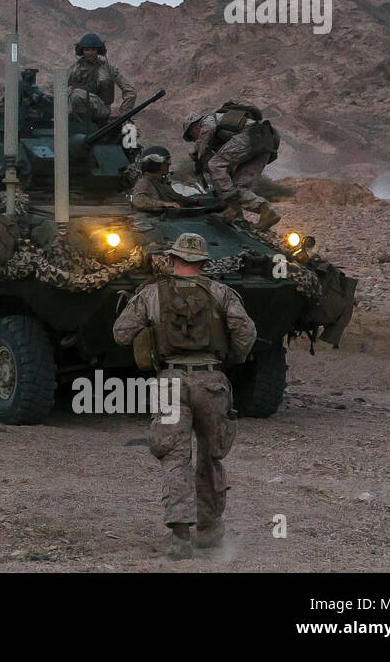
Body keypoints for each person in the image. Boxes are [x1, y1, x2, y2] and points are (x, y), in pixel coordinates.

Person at [112, 232, 257, 559]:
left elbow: (120, 333)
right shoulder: (222, 293)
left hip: (170, 383)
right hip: (211, 381)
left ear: (173, 261)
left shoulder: (151, 294)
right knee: (210, 456)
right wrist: (232, 359)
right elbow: (246, 333)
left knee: (174, 457)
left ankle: (180, 536)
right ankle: (208, 530)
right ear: (204, 263)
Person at [182, 107, 281, 229]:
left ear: (194, 127)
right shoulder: (216, 131)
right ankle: (266, 212)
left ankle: (232, 207)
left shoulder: (207, 120)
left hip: (251, 135)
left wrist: (199, 153)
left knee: (215, 164)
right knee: (238, 187)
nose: (194, 140)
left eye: (191, 136)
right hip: (264, 145)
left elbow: (209, 130)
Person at [66, 32, 136, 123]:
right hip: (78, 114)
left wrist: (124, 114)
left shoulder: (108, 69)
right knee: (71, 92)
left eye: (93, 49)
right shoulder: (74, 69)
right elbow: (59, 91)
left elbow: (130, 91)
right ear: (82, 51)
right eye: (87, 50)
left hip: (102, 110)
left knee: (76, 93)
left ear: (98, 50)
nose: (90, 53)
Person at [129, 145, 200, 214]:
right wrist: (164, 204)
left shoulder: (161, 183)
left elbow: (177, 197)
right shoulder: (145, 182)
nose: (169, 164)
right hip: (154, 222)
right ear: (154, 164)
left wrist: (194, 201)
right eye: (166, 161)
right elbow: (138, 200)